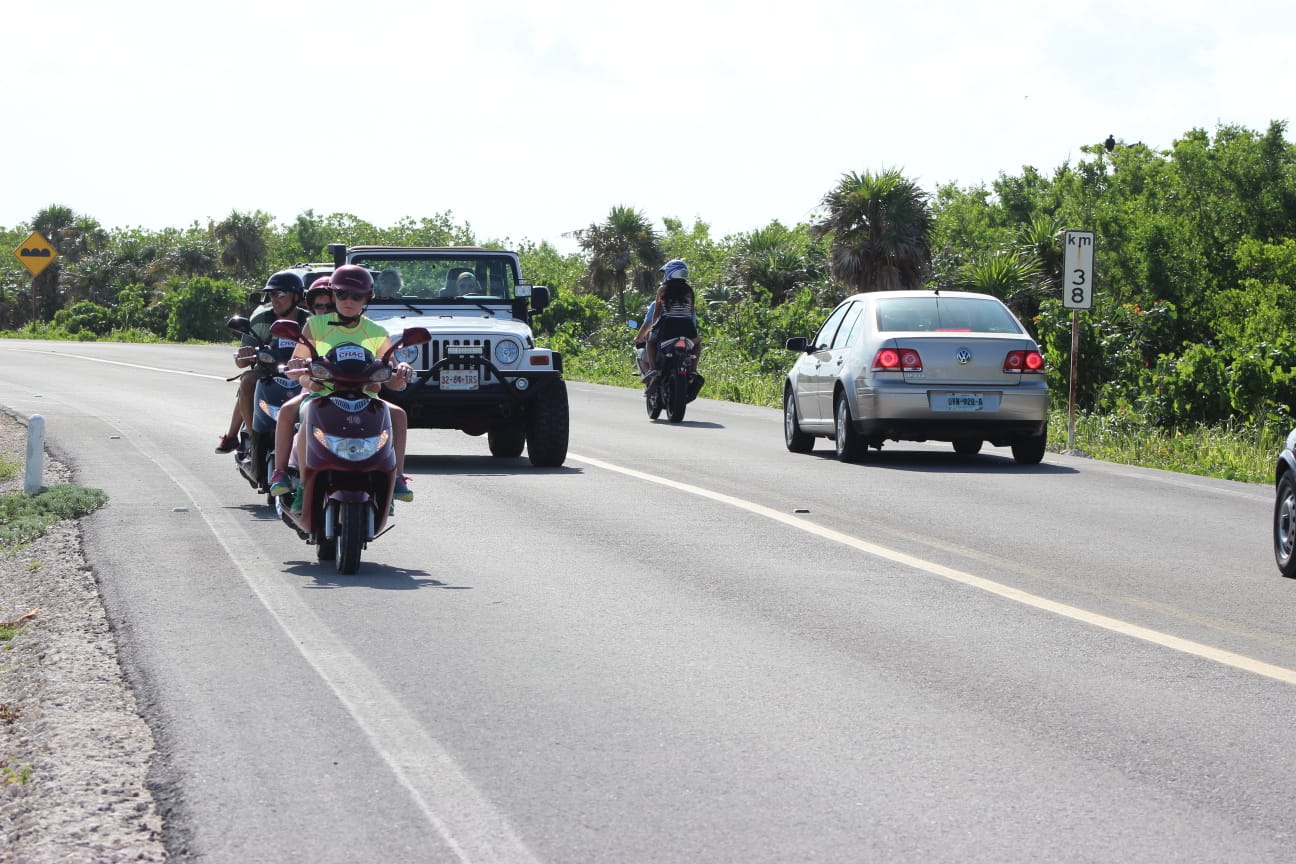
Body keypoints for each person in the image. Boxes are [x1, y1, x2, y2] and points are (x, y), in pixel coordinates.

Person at [267, 265, 416, 504]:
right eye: (342, 294)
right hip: (321, 395)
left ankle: (395, 479)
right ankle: (289, 478)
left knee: (398, 415)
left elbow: (394, 379)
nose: (349, 300)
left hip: (366, 398)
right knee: (291, 412)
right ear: (334, 295)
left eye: (356, 296)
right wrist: (305, 375)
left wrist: (402, 371)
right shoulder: (315, 325)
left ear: (367, 298)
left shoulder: (377, 331)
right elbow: (296, 368)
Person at [215, 270, 309, 453]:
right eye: (270, 294)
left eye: (279, 294)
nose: (274, 299)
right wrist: (247, 353)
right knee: (248, 381)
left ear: (296, 296)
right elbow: (241, 363)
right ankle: (254, 439)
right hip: (266, 372)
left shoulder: (309, 321)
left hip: (301, 374)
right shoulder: (261, 319)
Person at [642, 259, 701, 381]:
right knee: (697, 343)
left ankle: (653, 368)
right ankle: (694, 369)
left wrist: (653, 327)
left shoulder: (663, 289)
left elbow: (657, 311)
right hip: (687, 327)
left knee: (650, 340)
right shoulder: (689, 290)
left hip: (668, 326)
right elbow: (691, 311)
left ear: (670, 272)